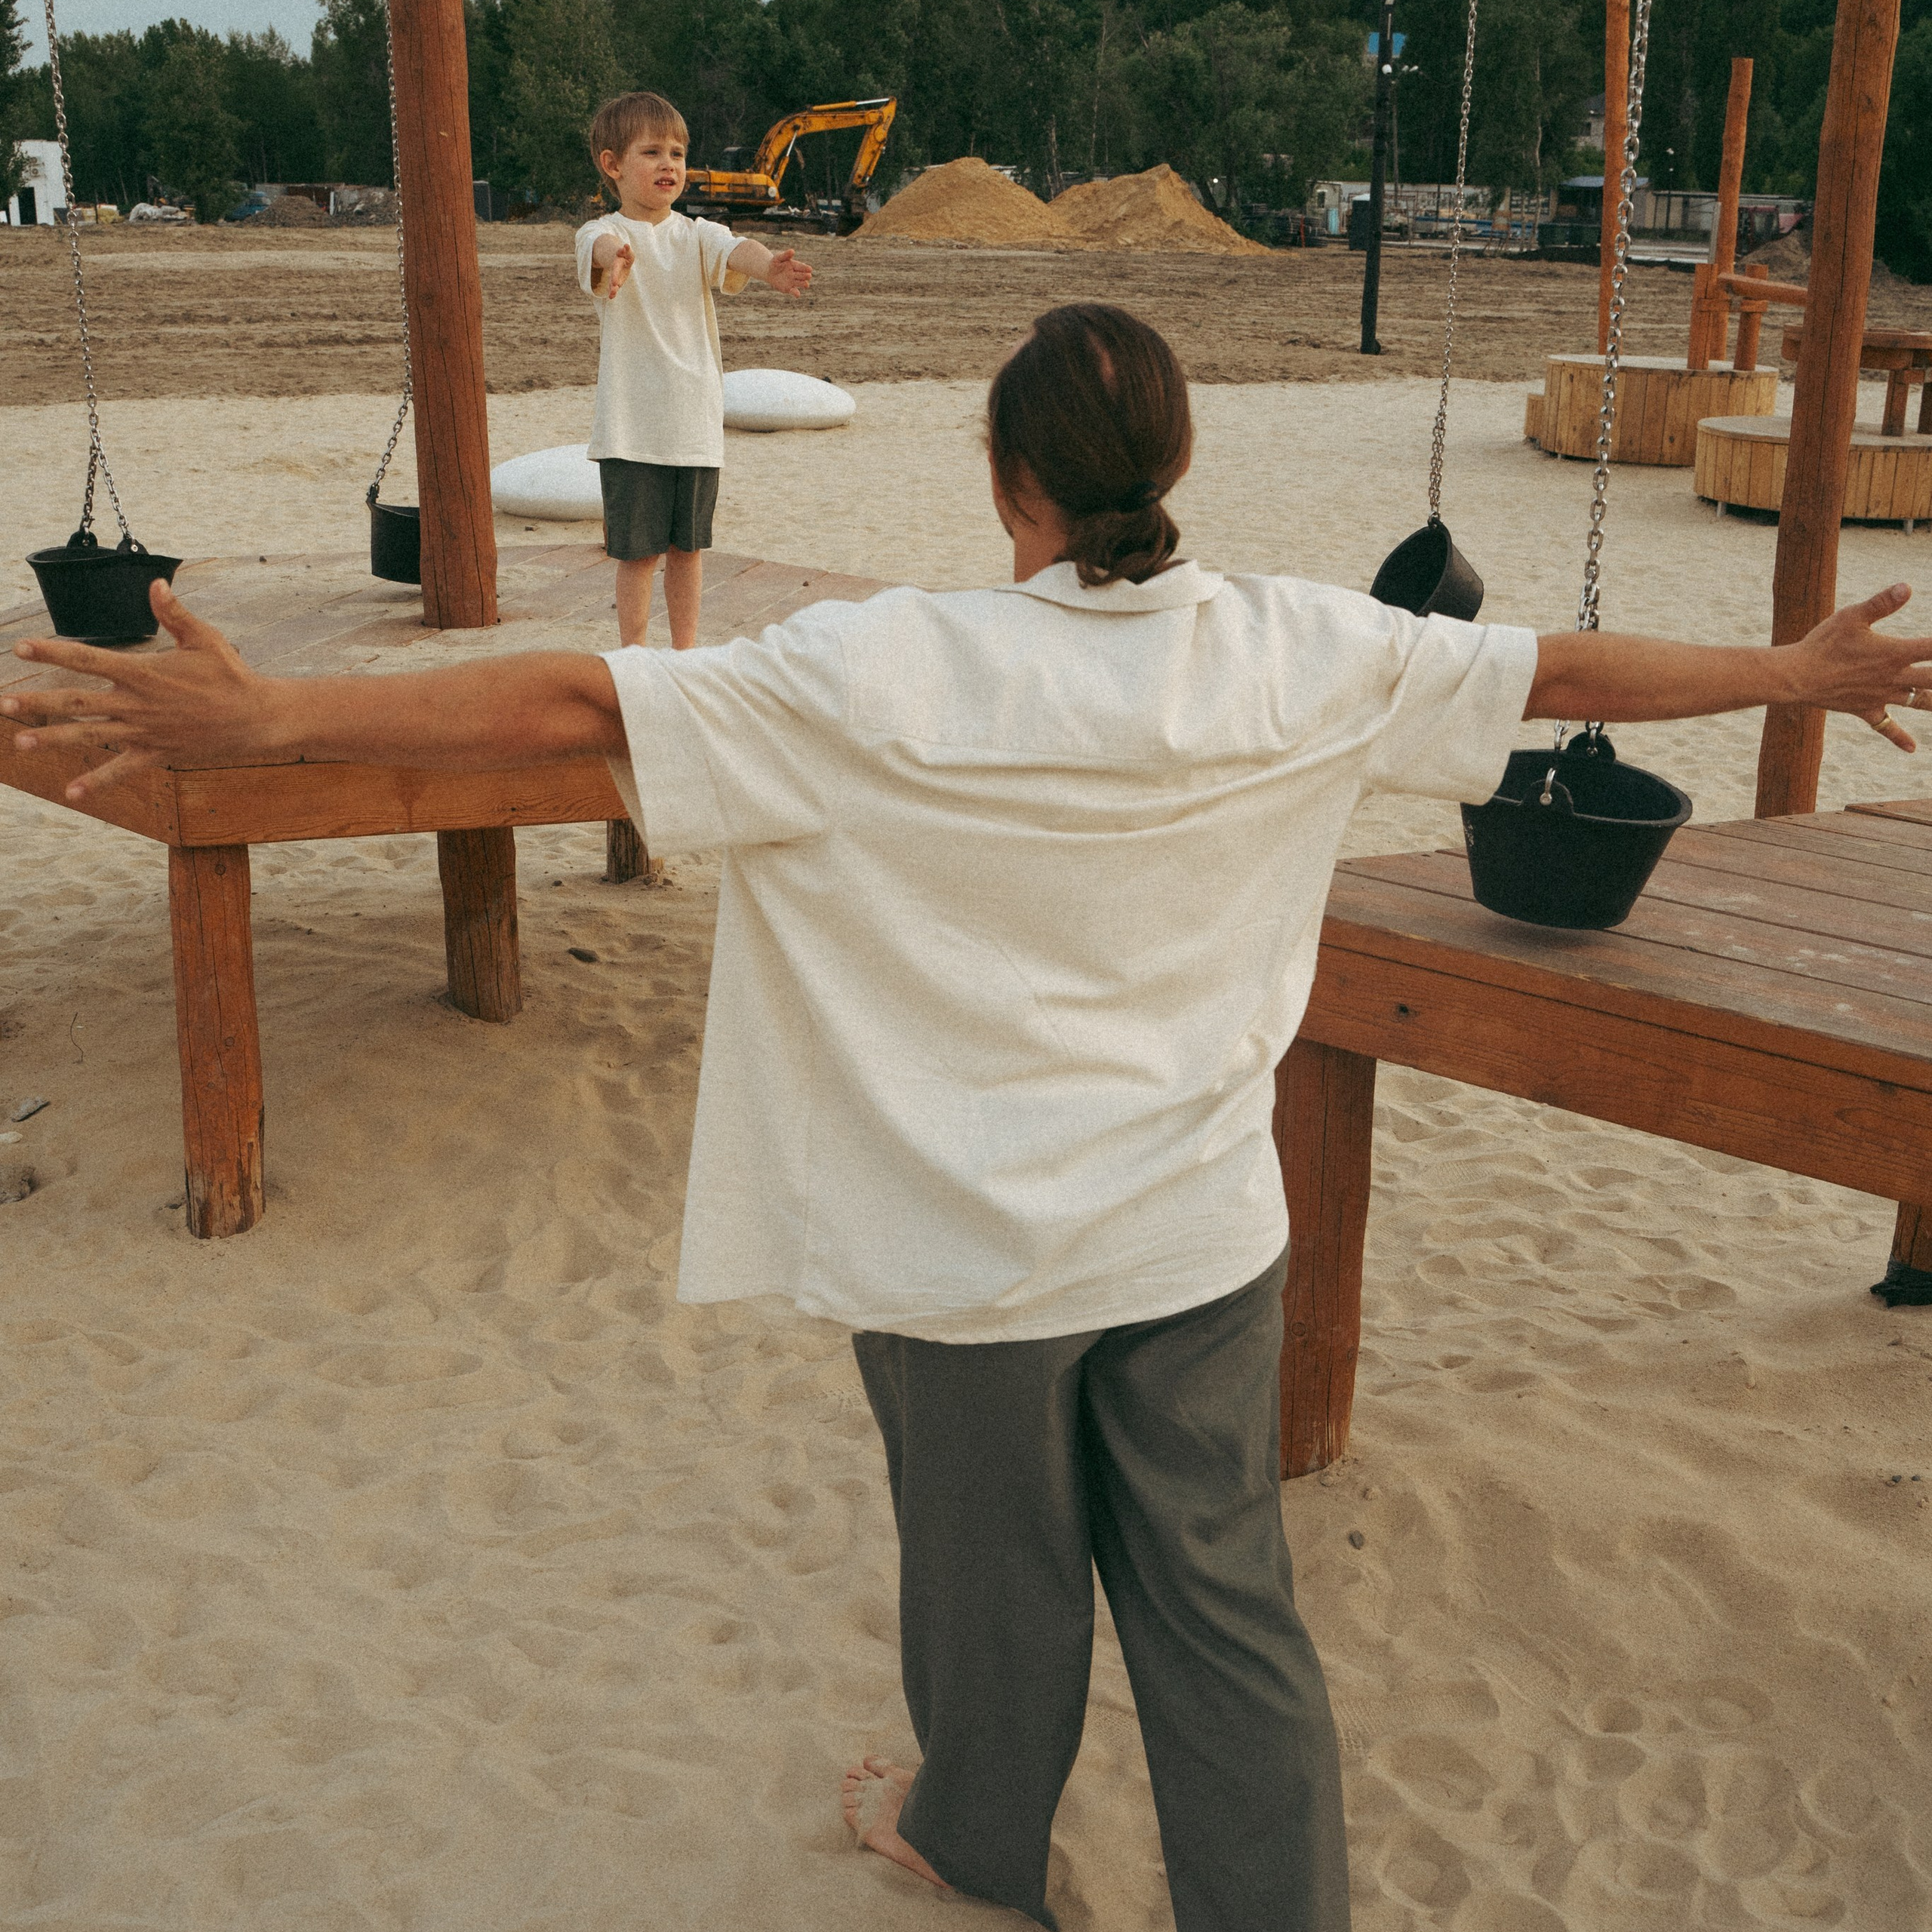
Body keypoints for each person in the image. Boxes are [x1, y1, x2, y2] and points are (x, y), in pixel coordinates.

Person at [8, 305, 1929, 1932]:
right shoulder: (1302, 647)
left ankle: (973, 1835)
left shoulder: (878, 669)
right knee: (1223, 1598)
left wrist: (277, 724)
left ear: (1007, 485)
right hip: (1195, 1232)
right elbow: (1555, 672)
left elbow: (576, 707)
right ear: (1174, 462)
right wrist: (1788, 669)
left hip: (956, 1251)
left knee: (988, 1574)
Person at [578, 91, 814, 648]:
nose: (669, 164)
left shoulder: (697, 233)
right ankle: (634, 655)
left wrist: (769, 268)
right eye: (652, 152)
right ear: (612, 164)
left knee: (688, 551)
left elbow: (737, 249)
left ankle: (686, 654)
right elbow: (600, 247)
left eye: (678, 154)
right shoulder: (602, 231)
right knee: (638, 556)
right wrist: (616, 259)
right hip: (632, 430)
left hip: (693, 425)